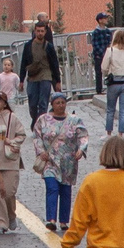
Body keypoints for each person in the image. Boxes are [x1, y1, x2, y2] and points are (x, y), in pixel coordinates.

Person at [32, 92, 91, 228]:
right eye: (57, 103)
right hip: (50, 161)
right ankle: (51, 219)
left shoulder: (74, 120)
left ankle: (64, 221)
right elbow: (37, 136)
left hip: (68, 162)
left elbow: (83, 136)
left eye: (62, 102)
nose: (60, 105)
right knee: (52, 187)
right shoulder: (43, 120)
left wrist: (81, 150)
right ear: (52, 104)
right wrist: (41, 152)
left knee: (65, 190)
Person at [0, 90, 27, 233]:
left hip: (9, 161)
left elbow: (22, 134)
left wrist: (13, 142)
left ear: (5, 103)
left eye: (0, 100)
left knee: (8, 192)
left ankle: (11, 215)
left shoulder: (12, 118)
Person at [18, 20, 61, 123]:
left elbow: (55, 64)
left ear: (45, 32)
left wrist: (57, 81)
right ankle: (35, 120)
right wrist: (21, 80)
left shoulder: (49, 46)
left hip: (46, 75)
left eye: (42, 31)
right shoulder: (28, 45)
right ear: (35, 31)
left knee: (43, 102)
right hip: (33, 76)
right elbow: (24, 62)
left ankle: (41, 125)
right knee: (32, 103)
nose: (40, 33)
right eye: (38, 31)